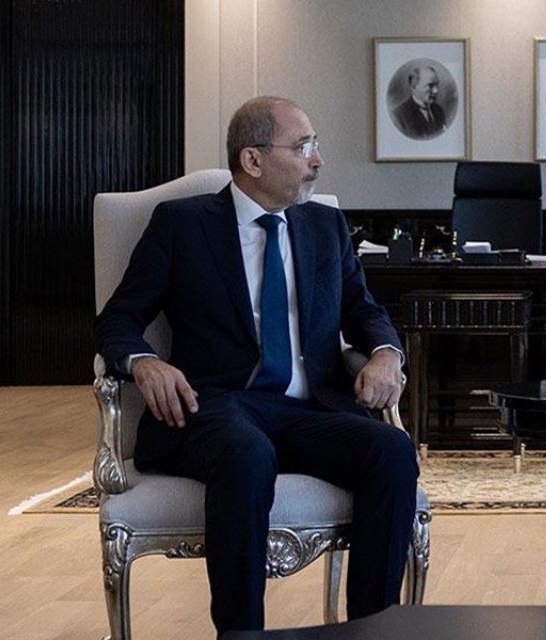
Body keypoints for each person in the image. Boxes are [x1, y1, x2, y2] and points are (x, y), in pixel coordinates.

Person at [94, 96, 419, 633]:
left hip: (308, 410)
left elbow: (364, 312)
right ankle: (242, 633)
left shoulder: (325, 225)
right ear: (253, 160)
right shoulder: (182, 224)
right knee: (246, 451)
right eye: (303, 147)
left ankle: (371, 630)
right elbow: (118, 319)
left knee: (391, 450)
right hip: (216, 408)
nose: (317, 160)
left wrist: (385, 353)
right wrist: (145, 362)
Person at [392, 64, 447, 140]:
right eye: (430, 85)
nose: (435, 91)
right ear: (413, 87)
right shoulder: (398, 116)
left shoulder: (439, 111)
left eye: (437, 85)